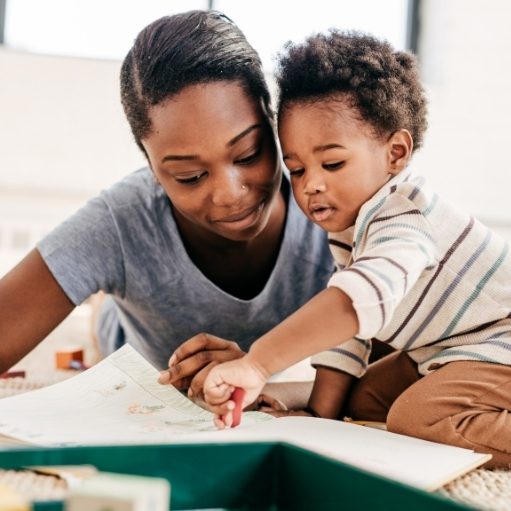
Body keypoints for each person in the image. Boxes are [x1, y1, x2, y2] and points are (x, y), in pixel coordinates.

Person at [202, 30, 511, 468]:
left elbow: (358, 300)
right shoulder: (355, 228)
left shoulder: (405, 217)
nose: (312, 184)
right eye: (296, 169)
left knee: (418, 417)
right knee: (361, 396)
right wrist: (317, 413)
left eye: (332, 163)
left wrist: (259, 364)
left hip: (500, 342)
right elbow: (350, 332)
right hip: (451, 349)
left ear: (395, 153)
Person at [0, 10, 335, 410]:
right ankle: (104, 307)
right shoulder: (121, 221)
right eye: (190, 176)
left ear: (272, 119)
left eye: (248, 154)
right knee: (112, 329)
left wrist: (258, 374)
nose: (230, 195)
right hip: (133, 342)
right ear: (151, 167)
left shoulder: (334, 207)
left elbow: (400, 375)